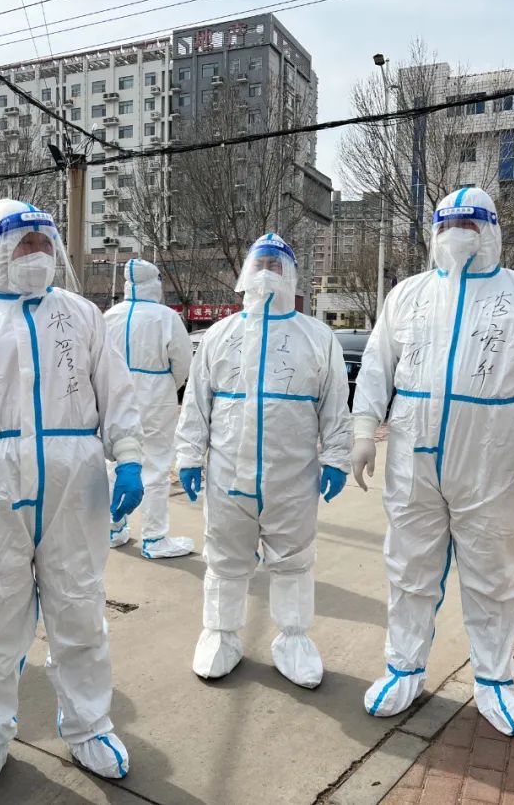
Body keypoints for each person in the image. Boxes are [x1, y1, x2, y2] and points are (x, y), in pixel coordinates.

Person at [0, 199, 145, 798]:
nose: (36, 254)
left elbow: (117, 393)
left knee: (79, 607)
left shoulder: (82, 316)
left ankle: (88, 725)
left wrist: (129, 458)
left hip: (75, 484)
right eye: (24, 244)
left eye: (43, 243)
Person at [351, 187, 514, 737]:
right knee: (408, 569)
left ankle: (495, 679)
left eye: (471, 224)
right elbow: (378, 366)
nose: (458, 234)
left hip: (490, 459)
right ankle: (403, 668)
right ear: (434, 232)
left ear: (493, 230)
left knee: (491, 574)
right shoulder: (408, 294)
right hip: (412, 455)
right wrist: (362, 430)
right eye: (448, 224)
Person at [176, 232, 352, 689]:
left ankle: (293, 639)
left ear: (292, 276)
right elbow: (197, 401)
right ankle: (220, 634)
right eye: (261, 264)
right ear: (245, 274)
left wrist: (337, 457)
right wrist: (189, 454)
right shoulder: (221, 335)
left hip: (292, 476)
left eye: (277, 265)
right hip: (227, 476)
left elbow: (335, 404)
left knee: (293, 560)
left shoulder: (317, 337)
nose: (267, 272)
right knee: (225, 557)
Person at [104, 258, 194, 559]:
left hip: (116, 396)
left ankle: (113, 527)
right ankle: (154, 537)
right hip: (155, 396)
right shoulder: (166, 317)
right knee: (155, 464)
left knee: (115, 462)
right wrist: (169, 385)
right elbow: (182, 361)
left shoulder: (110, 316)